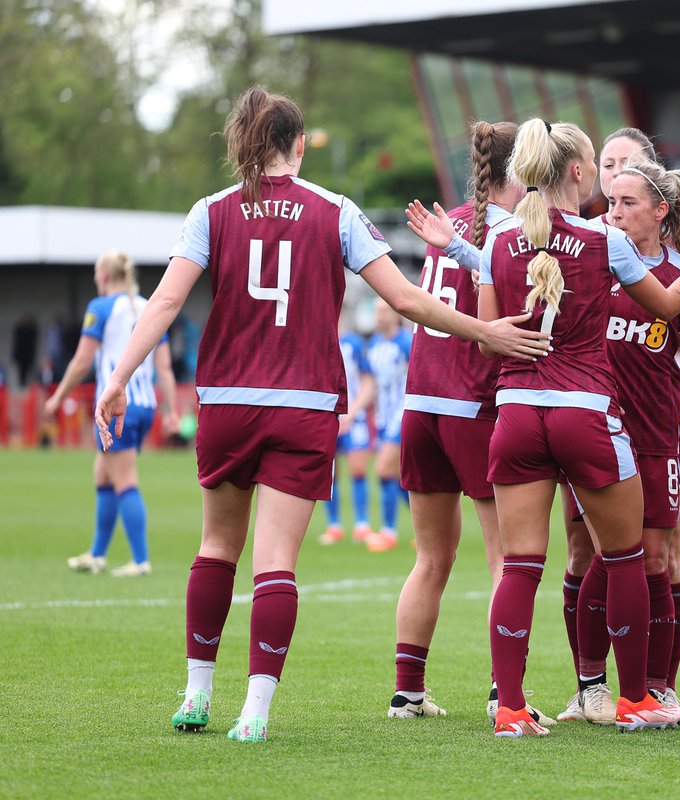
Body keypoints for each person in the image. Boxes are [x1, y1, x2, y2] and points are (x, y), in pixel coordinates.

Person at [92, 86, 548, 744]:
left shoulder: (210, 210)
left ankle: (195, 693)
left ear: (243, 144)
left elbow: (163, 304)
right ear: (300, 146)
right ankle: (255, 710)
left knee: (216, 547)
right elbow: (407, 300)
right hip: (302, 405)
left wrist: (118, 376)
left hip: (226, 401)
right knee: (276, 560)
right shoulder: (335, 211)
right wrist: (487, 334)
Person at [480, 117, 680, 737]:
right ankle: (636, 699)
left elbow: (487, 342)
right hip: (585, 413)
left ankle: (509, 706)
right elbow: (669, 303)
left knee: (522, 565)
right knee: (630, 557)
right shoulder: (599, 240)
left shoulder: (498, 241)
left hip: (517, 412)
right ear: (578, 174)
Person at [562, 157, 680, 724]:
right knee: (607, 555)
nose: (615, 213)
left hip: (659, 434)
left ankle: (658, 687)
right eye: (611, 202)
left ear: (661, 211)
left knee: (653, 557)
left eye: (628, 203)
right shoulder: (591, 262)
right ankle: (589, 687)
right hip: (597, 432)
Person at [383, 120, 530, 720]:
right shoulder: (512, 231)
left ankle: (407, 692)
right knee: (507, 556)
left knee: (430, 557)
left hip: (420, 404)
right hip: (473, 404)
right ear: (519, 170)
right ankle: (504, 692)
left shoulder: (454, 223)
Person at [46, 251, 179, 577]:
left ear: (104, 276)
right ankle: (97, 555)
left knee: (124, 480)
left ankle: (140, 560)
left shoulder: (100, 308)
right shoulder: (150, 305)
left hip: (118, 405)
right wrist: (172, 410)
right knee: (102, 474)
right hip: (144, 404)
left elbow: (81, 362)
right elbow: (164, 367)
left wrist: (57, 397)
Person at [318, 312, 375, 545]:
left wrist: (353, 411)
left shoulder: (353, 344)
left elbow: (368, 382)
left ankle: (362, 525)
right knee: (329, 474)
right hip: (328, 417)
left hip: (354, 416)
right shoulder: (318, 343)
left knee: (358, 468)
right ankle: (334, 526)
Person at [364, 301, 413, 552]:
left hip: (402, 414)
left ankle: (388, 532)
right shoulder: (373, 344)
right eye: (376, 311)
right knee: (399, 477)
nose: (379, 316)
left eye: (383, 311)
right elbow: (371, 383)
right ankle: (423, 528)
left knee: (384, 470)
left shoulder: (406, 342)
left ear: (396, 314)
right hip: (383, 417)